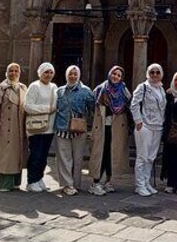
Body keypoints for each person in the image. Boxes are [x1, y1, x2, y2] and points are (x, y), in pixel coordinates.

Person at [89, 66, 132, 196]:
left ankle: (107, 181)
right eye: (114, 74)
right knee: (100, 155)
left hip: (117, 129)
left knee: (111, 155)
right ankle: (95, 183)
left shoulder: (124, 91)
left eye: (119, 75)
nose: (116, 77)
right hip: (102, 127)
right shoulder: (100, 89)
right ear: (110, 74)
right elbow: (92, 107)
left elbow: (130, 106)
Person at [53, 65, 94, 195]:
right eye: (70, 74)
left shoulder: (86, 91)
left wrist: (91, 127)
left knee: (77, 158)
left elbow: (93, 109)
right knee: (64, 158)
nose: (73, 76)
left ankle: (76, 183)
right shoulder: (59, 91)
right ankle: (67, 184)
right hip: (61, 127)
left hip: (79, 129)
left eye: (75, 74)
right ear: (66, 75)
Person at [0, 63, 28, 192]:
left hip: (19, 129)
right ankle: (4, 184)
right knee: (5, 156)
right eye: (11, 71)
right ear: (6, 72)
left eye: (17, 71)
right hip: (5, 128)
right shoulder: (0, 88)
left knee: (17, 155)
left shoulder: (23, 88)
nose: (14, 73)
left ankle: (16, 182)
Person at [130, 63, 167, 196]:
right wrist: (138, 120)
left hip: (158, 126)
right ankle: (139, 185)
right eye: (152, 72)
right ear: (148, 74)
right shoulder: (143, 87)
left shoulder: (161, 89)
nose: (155, 75)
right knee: (142, 156)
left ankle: (146, 182)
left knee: (151, 157)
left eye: (157, 72)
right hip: (145, 126)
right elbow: (134, 104)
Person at [24, 62, 57, 192]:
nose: (48, 75)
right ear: (40, 73)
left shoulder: (54, 87)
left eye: (51, 72)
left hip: (49, 128)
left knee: (43, 156)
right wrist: (47, 109)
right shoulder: (34, 86)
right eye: (46, 72)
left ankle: (39, 178)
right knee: (35, 155)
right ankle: (31, 181)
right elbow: (27, 106)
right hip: (36, 128)